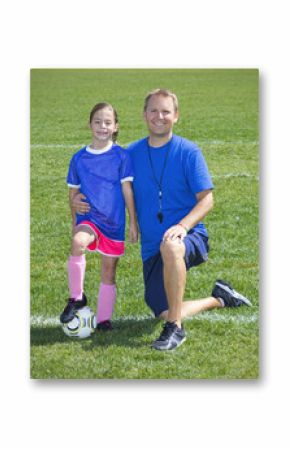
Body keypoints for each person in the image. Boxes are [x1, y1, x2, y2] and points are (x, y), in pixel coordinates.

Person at [72, 90, 252, 350]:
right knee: (164, 311)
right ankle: (219, 298)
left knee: (171, 247)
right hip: (151, 249)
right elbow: (105, 183)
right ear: (145, 115)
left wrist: (182, 226)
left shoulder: (189, 152)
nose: (160, 116)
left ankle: (176, 330)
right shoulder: (130, 154)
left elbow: (207, 199)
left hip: (189, 237)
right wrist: (79, 198)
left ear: (176, 116)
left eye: (166, 111)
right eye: (154, 111)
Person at [60, 102, 138, 330]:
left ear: (115, 127)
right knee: (77, 242)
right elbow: (72, 192)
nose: (102, 126)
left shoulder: (121, 156)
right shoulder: (79, 158)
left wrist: (133, 222)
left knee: (109, 271)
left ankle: (104, 319)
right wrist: (75, 220)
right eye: (97, 122)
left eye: (107, 122)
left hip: (113, 222)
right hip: (89, 218)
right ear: (89, 124)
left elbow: (127, 190)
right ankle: (77, 297)